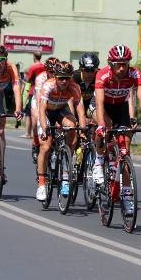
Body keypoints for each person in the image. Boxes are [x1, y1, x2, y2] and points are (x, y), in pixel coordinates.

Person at [92, 45, 141, 184]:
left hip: (120, 106)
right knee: (105, 127)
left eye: (125, 64)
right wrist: (101, 124)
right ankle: (98, 162)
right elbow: (99, 102)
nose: (122, 68)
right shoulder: (103, 75)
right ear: (110, 64)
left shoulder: (135, 73)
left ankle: (127, 191)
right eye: (118, 65)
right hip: (102, 106)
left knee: (125, 147)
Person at [36, 61, 87, 201]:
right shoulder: (48, 86)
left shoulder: (74, 87)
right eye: (61, 78)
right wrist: (44, 129)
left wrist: (82, 131)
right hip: (47, 113)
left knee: (72, 127)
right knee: (46, 146)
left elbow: (80, 111)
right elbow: (41, 110)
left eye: (67, 78)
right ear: (55, 77)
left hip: (61, 110)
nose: (64, 81)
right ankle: (41, 184)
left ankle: (65, 173)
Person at [24, 52, 46, 139]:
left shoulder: (33, 67)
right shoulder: (44, 67)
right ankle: (37, 132)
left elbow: (28, 80)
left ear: (34, 57)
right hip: (43, 91)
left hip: (33, 91)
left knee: (29, 113)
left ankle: (28, 133)